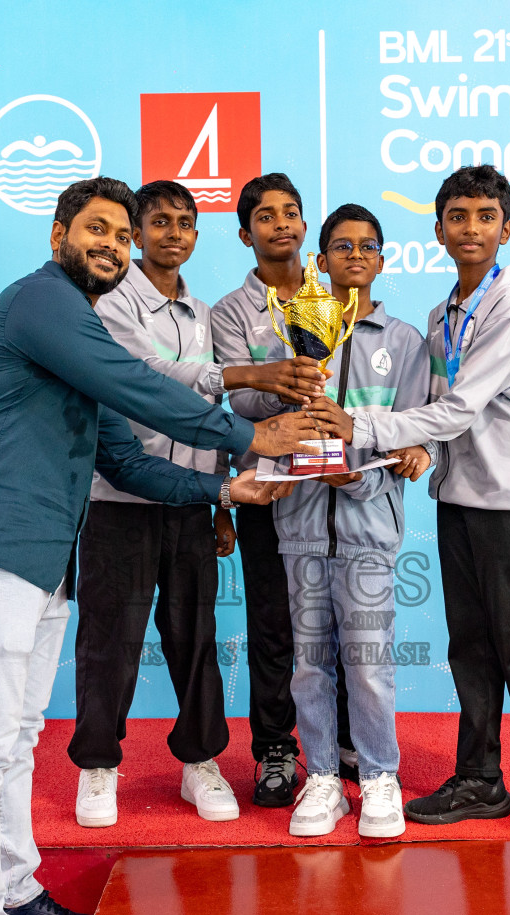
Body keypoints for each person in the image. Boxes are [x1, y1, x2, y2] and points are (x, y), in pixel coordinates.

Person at [0, 177, 316, 915]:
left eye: (119, 235)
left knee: (19, 737)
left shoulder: (76, 330)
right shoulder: (41, 302)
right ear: (60, 232)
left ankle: (15, 895)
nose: (112, 244)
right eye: (95, 229)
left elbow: (124, 459)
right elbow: (139, 388)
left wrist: (223, 491)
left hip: (40, 560)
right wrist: (247, 434)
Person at [309, 165, 510, 834]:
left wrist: (361, 427)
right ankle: (480, 777)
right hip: (458, 495)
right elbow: (432, 412)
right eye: (458, 217)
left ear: (506, 228)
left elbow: (456, 409)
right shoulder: (441, 313)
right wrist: (415, 451)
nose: (471, 228)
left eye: (486, 217)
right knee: (470, 646)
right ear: (438, 230)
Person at [70, 180, 328, 830]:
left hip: (191, 499)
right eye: (158, 222)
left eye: (185, 223)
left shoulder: (203, 313)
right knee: (111, 641)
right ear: (137, 232)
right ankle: (99, 766)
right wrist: (243, 373)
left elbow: (211, 416)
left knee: (196, 640)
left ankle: (201, 762)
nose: (174, 234)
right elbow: (143, 381)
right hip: (119, 496)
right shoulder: (112, 303)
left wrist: (219, 502)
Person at [239, 203, 435, 838]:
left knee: (370, 661)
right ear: (319, 262)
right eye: (341, 246)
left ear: (381, 261)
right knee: (308, 662)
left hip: (368, 528)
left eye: (367, 246)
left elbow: (414, 434)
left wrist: (356, 477)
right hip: (298, 526)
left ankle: (380, 778)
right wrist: (281, 394)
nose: (355, 254)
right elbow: (251, 408)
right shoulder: (288, 334)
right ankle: (323, 777)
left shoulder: (404, 343)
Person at [212, 172, 358, 806]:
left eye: (291, 213)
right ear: (246, 234)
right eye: (265, 216)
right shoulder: (227, 313)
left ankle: (348, 740)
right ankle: (275, 748)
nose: (281, 224)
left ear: (305, 226)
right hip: (269, 490)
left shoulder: (339, 299)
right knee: (273, 622)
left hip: (334, 488)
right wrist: (285, 382)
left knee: (343, 620)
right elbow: (233, 398)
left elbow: (362, 391)